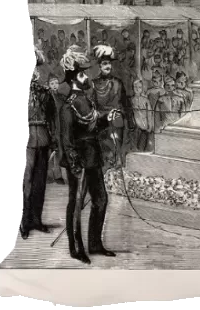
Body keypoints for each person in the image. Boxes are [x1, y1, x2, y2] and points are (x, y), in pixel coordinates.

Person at [58, 45, 118, 263]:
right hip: (79, 162)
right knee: (75, 204)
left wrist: (106, 119)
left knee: (101, 200)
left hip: (92, 157)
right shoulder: (69, 106)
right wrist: (74, 164)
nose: (87, 77)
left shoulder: (86, 100)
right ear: (75, 78)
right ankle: (76, 248)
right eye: (83, 73)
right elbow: (66, 140)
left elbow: (91, 125)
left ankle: (95, 244)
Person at [20, 48, 56, 240]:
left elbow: (52, 118)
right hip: (24, 140)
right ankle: (24, 223)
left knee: (40, 182)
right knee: (26, 182)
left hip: (42, 138)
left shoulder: (44, 92)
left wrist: (54, 142)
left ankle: (36, 220)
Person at [92, 45, 131, 167]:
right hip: (100, 121)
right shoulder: (94, 84)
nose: (108, 66)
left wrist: (130, 120)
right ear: (99, 66)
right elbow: (92, 104)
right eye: (104, 64)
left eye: (109, 64)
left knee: (117, 144)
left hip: (116, 119)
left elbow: (125, 103)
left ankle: (118, 162)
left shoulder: (118, 82)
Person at [47, 73, 68, 184]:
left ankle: (62, 174)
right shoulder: (47, 98)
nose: (54, 85)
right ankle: (56, 175)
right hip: (53, 126)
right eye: (52, 83)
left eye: (56, 83)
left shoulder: (62, 97)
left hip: (62, 126)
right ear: (48, 85)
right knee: (56, 151)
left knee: (62, 150)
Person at [130, 78, 154, 152]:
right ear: (133, 88)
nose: (137, 89)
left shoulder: (145, 100)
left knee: (142, 146)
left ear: (142, 89)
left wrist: (150, 125)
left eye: (139, 87)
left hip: (144, 127)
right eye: (135, 87)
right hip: (135, 127)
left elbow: (149, 113)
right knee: (134, 146)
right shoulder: (131, 100)